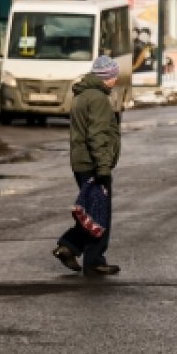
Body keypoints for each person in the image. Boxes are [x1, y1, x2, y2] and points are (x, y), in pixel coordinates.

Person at [53, 56, 123, 276]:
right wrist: (103, 169)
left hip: (81, 162)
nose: (115, 79)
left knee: (92, 211)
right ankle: (93, 260)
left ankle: (70, 247)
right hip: (93, 164)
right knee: (100, 214)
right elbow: (97, 136)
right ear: (105, 77)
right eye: (113, 75)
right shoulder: (98, 99)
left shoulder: (81, 95)